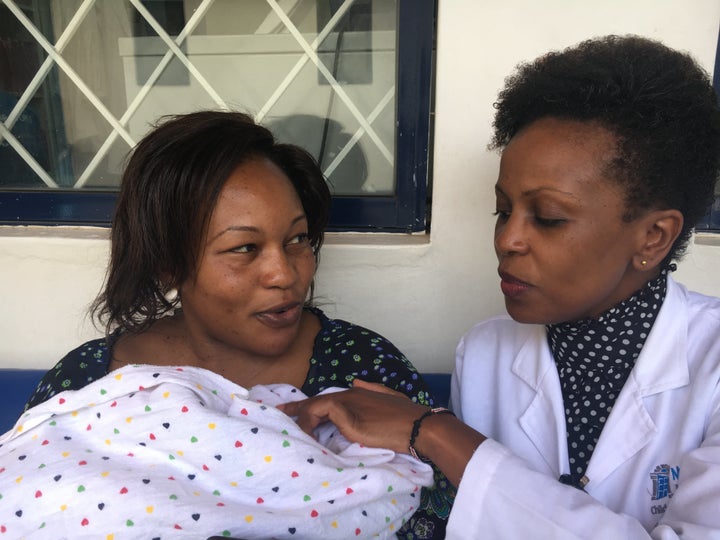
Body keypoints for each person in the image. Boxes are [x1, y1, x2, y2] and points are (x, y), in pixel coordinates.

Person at [281, 35, 720, 538]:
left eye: (549, 218)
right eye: (503, 210)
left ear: (653, 236)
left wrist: (435, 432)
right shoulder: (486, 351)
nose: (507, 239)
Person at [18, 111, 453, 538]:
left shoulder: (362, 367)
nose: (284, 274)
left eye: (297, 239)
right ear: (169, 264)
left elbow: (437, 512)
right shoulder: (88, 382)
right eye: (245, 247)